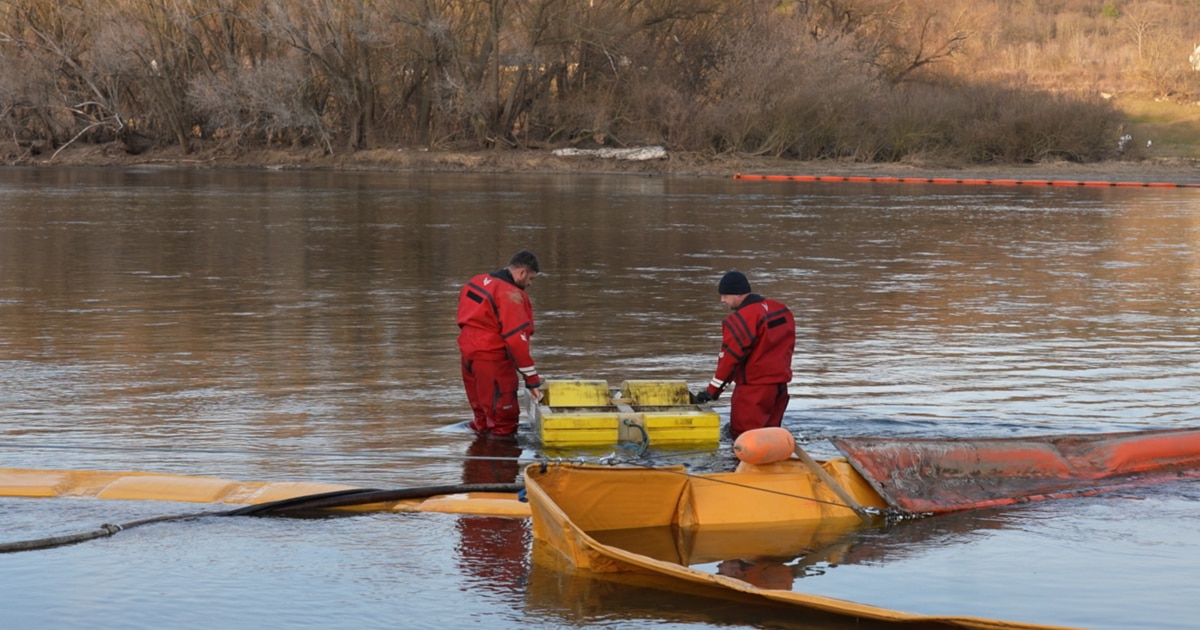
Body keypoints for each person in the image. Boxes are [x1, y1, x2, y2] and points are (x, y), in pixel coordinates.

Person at [695, 270, 795, 439]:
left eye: (725, 295)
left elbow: (730, 359)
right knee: (771, 438)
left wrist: (712, 391)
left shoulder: (742, 320)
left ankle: (740, 465)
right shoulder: (781, 310)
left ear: (738, 294)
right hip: (779, 388)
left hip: (753, 390)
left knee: (745, 440)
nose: (722, 300)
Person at [456, 249, 543, 436]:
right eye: (531, 279)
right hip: (493, 362)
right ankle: (502, 463)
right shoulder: (511, 295)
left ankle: (477, 460)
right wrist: (532, 380)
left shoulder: (475, 281)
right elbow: (517, 341)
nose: (529, 284)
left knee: (481, 418)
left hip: (468, 358)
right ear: (521, 273)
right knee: (504, 423)